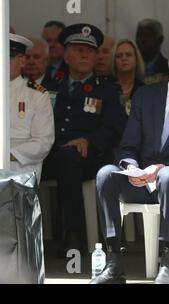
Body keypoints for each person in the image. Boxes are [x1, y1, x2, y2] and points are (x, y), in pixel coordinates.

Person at [90, 42, 169, 284]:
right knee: (106, 173)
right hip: (140, 180)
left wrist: (160, 169)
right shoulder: (146, 95)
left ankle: (167, 261)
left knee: (168, 176)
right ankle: (114, 261)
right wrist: (130, 168)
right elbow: (128, 145)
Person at [41, 24, 127, 253]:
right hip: (52, 153)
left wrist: (88, 141)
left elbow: (116, 127)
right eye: (78, 49)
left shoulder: (105, 89)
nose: (84, 55)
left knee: (69, 158)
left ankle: (74, 233)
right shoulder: (50, 87)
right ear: (66, 56)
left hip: (91, 156)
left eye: (89, 51)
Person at [9, 34, 54, 183]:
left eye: (6, 57)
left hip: (18, 170)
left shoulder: (37, 95)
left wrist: (7, 154)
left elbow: (43, 142)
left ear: (21, 60)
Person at [109, 39, 146, 116]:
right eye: (119, 56)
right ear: (114, 62)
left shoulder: (144, 90)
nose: (124, 58)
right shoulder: (106, 87)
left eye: (128, 55)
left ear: (136, 60)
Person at [135, 18, 169, 84]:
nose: (142, 40)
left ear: (160, 40)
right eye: (139, 35)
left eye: (147, 36)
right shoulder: (129, 67)